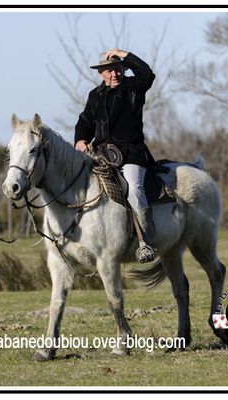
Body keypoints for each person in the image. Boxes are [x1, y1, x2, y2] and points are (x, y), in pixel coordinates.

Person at [74, 48, 156, 263]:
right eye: (109, 70)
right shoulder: (95, 95)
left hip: (131, 155)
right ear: (101, 73)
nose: (114, 74)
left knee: (134, 188)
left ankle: (145, 240)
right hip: (100, 155)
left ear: (123, 69)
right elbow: (85, 122)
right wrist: (80, 140)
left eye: (118, 69)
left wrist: (124, 53)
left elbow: (147, 74)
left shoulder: (134, 88)